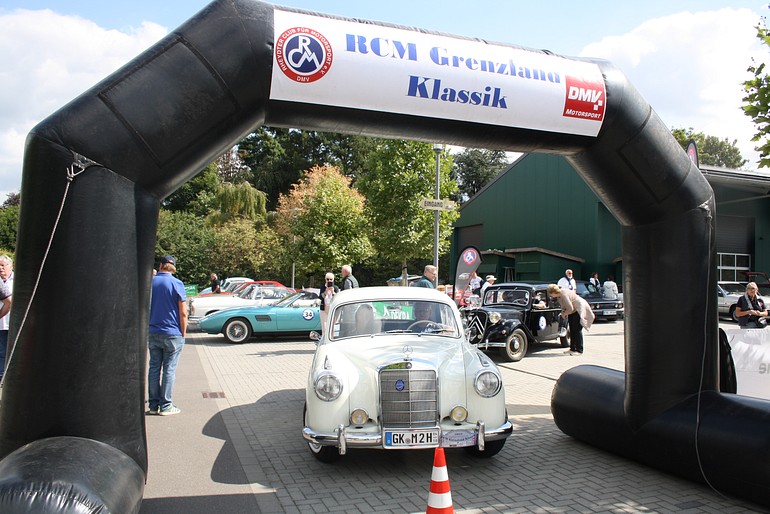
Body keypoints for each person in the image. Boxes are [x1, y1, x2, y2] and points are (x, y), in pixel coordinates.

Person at [148, 255, 188, 416]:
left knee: (154, 368)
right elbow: (183, 312)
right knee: (169, 369)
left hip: (153, 331)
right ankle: (166, 405)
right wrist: (183, 333)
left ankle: (153, 405)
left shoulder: (150, 282)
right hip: (172, 332)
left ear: (161, 265)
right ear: (174, 268)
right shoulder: (177, 284)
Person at [548, 283, 594, 355]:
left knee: (576, 330)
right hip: (573, 311)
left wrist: (564, 314)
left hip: (578, 309)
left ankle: (579, 350)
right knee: (572, 329)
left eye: (550, 293)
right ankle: (572, 348)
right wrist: (564, 312)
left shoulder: (563, 295)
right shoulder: (559, 295)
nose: (550, 295)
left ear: (554, 292)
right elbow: (566, 307)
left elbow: (570, 308)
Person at [0, 255, 12, 380]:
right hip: (1, 323)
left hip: (12, 322)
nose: (1, 268)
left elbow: (9, 302)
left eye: (3, 265)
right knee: (2, 351)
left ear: (11, 266)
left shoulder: (19, 281)